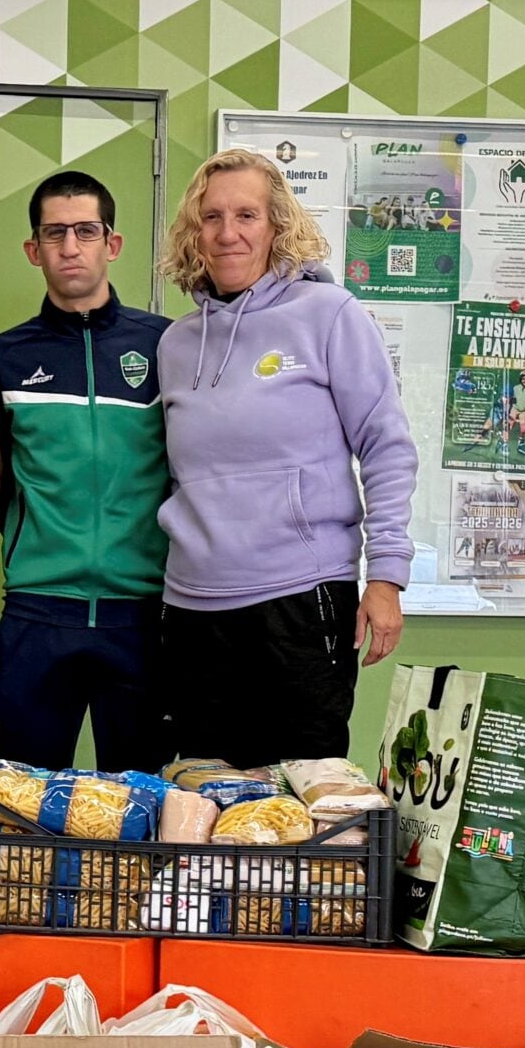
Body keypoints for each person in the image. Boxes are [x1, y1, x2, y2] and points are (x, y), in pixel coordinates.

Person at [154, 147, 416, 769]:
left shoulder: (329, 316)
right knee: (205, 803)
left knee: (303, 801)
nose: (228, 232)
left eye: (246, 215)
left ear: (277, 226)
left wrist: (386, 577)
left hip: (301, 599)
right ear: (195, 233)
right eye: (211, 217)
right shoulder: (175, 343)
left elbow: (386, 446)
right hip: (194, 608)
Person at [0, 170, 172, 772]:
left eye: (86, 231)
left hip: (144, 617)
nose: (70, 247)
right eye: (54, 233)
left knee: (142, 809)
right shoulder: (6, 355)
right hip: (38, 614)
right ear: (33, 250)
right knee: (31, 809)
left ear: (111, 244)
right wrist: (25, 535)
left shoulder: (168, 346)